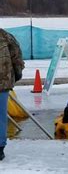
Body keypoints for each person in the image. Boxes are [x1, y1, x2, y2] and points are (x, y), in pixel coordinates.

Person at [0, 29, 25, 161]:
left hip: (3, 83)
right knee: (1, 116)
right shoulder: (6, 37)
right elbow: (17, 57)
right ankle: (0, 148)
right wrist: (17, 73)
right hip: (3, 83)